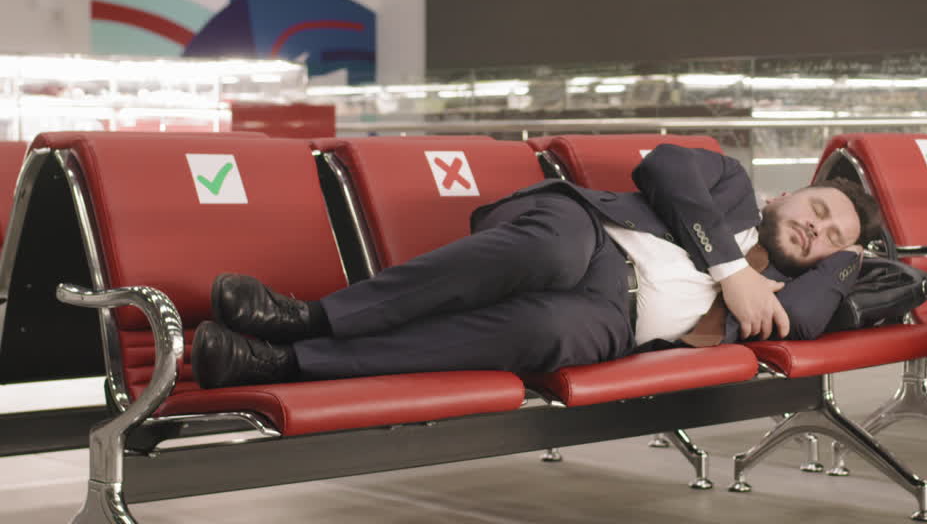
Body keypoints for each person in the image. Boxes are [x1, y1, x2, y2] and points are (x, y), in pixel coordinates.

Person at [192, 144, 880, 389]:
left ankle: (283, 363)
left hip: (613, 318)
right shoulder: (729, 184)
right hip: (587, 232)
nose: (814, 229)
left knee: (548, 334)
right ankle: (309, 316)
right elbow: (664, 167)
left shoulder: (789, 294)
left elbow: (830, 307)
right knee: (546, 254)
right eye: (817, 208)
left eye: (829, 237)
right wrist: (730, 269)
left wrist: (849, 257)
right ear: (790, 191)